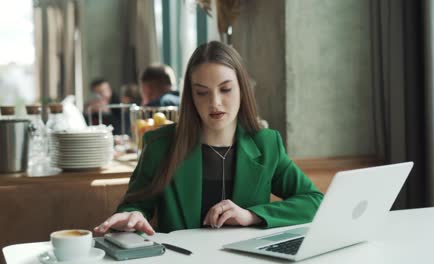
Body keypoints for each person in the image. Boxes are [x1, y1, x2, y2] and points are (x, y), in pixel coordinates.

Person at [94, 41, 323, 236]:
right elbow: (135, 205)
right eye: (202, 92)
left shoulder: (267, 144)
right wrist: (133, 215)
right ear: (191, 97)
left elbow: (314, 200)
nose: (215, 102)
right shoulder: (160, 145)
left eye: (225, 89)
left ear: (242, 89)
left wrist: (252, 215)